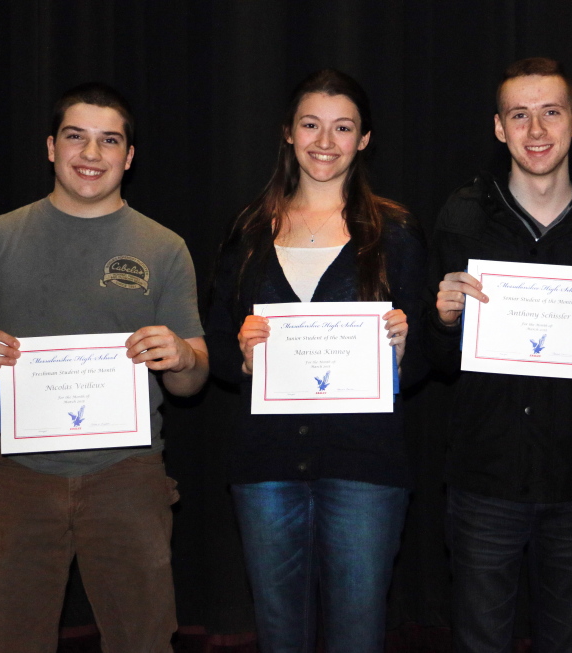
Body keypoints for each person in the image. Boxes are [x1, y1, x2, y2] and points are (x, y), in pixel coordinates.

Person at [0, 83, 208, 652]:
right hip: (19, 476)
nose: (91, 154)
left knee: (143, 639)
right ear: (51, 147)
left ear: (128, 157)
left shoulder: (164, 247)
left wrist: (181, 356)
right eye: (76, 137)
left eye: (109, 140)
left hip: (129, 475)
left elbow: (193, 375)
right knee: (7, 638)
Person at [425, 57, 572, 652]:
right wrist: (443, 323)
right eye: (519, 116)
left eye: (550, 113)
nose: (537, 131)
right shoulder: (462, 214)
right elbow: (438, 365)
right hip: (483, 479)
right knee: (480, 642)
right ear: (500, 128)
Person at [206, 68, 426, 653]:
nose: (325, 142)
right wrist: (242, 350)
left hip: (365, 467)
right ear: (287, 133)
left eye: (342, 127)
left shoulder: (397, 232)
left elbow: (430, 358)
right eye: (310, 125)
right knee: (279, 635)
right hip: (266, 466)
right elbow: (215, 348)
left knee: (358, 634)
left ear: (364, 139)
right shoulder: (248, 230)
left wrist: (407, 346)